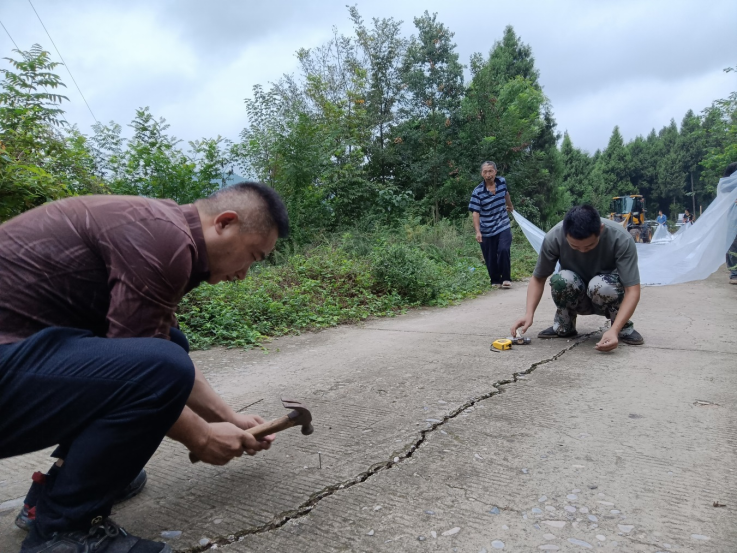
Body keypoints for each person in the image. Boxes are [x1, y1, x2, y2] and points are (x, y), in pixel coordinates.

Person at [0, 182, 289, 553]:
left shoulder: (160, 228)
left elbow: (156, 350)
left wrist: (229, 417)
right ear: (225, 223)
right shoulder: (164, 240)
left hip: (15, 361)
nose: (243, 274)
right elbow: (152, 375)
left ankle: (54, 495)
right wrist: (202, 437)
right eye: (252, 255)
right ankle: (65, 532)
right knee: (163, 365)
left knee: (170, 346)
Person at [510, 204, 644, 351]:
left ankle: (621, 327)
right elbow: (538, 278)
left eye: (589, 246)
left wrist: (614, 331)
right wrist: (529, 314)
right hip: (576, 293)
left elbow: (632, 290)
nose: (582, 251)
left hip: (606, 295)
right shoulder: (554, 236)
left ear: (601, 229)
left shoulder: (621, 238)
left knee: (601, 285)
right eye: (575, 246)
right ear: (565, 233)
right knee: (561, 279)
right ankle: (564, 325)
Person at [469, 161, 515, 289]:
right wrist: (478, 231)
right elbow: (475, 213)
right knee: (490, 256)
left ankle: (506, 278)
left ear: (495, 171)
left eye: (490, 171)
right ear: (481, 174)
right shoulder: (478, 192)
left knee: (504, 249)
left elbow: (506, 194)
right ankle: (495, 279)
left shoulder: (502, 182)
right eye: (485, 172)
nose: (488, 174)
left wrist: (510, 205)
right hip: (486, 228)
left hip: (502, 224)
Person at [723, 162, 737, 284]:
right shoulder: (733, 168)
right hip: (733, 216)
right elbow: (723, 187)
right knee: (733, 244)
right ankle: (734, 273)